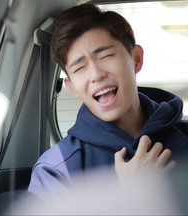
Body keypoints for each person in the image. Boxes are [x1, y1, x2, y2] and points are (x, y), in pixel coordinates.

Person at [28, 2, 188, 200]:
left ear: (136, 59)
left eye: (106, 56)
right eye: (80, 68)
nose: (96, 74)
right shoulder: (56, 170)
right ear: (72, 87)